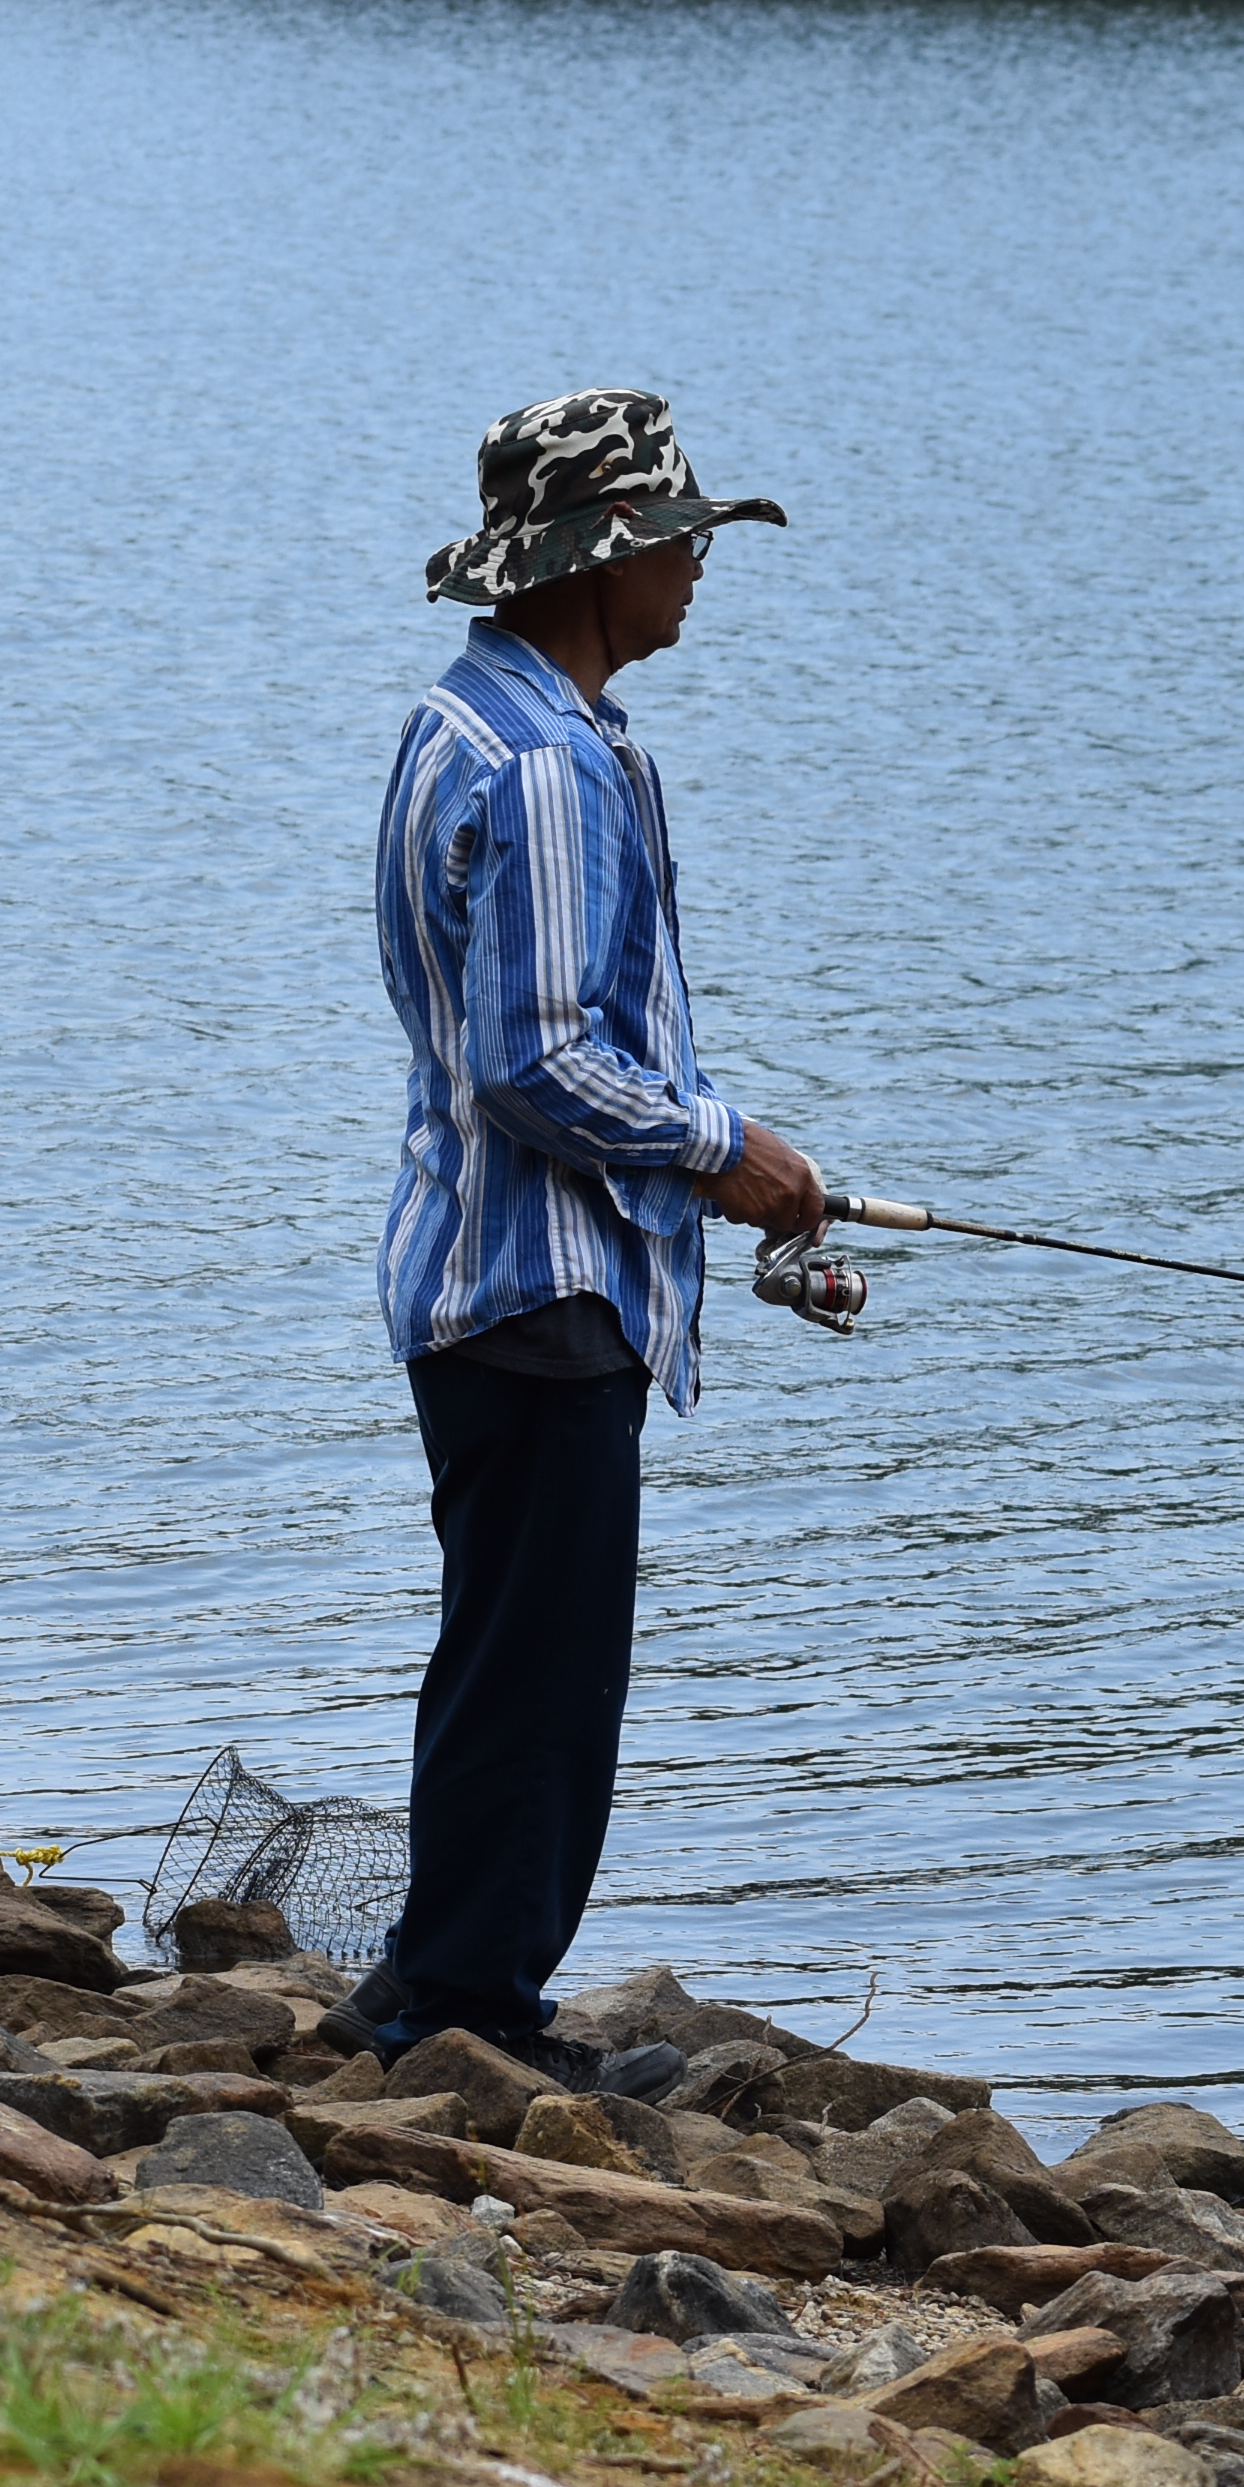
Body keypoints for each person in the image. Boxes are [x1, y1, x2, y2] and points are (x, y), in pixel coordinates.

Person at [347, 388, 829, 2091]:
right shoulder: (552, 765)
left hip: (481, 1277)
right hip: (541, 1294)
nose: (699, 564)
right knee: (542, 1683)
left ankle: (431, 1977)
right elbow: (532, 1056)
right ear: (596, 558)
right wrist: (730, 1154)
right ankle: (469, 2022)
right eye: (678, 538)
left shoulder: (469, 722)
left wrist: (718, 1161)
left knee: (503, 1652)